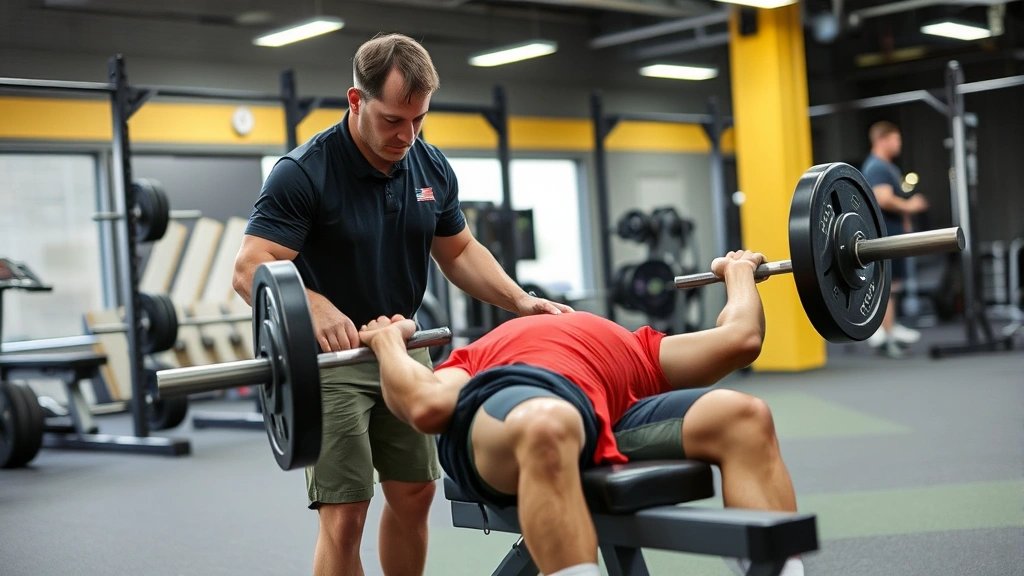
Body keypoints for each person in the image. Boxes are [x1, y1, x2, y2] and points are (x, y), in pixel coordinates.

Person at [231, 33, 571, 576]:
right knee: (345, 515)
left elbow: (458, 250)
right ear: (356, 100)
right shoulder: (303, 172)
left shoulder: (430, 166)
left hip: (406, 351)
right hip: (331, 362)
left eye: (418, 120)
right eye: (393, 120)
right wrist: (315, 309)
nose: (406, 135)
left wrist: (521, 301)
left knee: (414, 496)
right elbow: (250, 268)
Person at [359, 250, 807, 576]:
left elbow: (741, 339)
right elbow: (425, 405)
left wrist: (739, 271)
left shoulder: (639, 348)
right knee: (548, 424)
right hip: (509, 408)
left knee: (744, 415)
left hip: (604, 419)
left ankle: (775, 570)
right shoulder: (481, 355)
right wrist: (388, 345)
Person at [861, 121, 929, 357]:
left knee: (893, 287)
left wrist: (905, 219)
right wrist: (910, 206)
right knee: (887, 287)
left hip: (894, 231)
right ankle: (885, 335)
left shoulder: (888, 167)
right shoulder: (877, 167)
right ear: (883, 140)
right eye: (896, 139)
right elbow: (882, 198)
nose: (899, 143)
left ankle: (889, 331)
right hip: (884, 235)